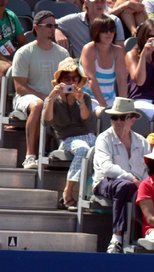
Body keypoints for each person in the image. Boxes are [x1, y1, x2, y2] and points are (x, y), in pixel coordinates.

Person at [11, 11, 70, 170]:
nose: (53, 29)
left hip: (53, 98)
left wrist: (54, 97)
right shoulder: (24, 52)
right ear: (36, 28)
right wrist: (46, 97)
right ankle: (30, 156)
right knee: (37, 105)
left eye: (55, 26)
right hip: (27, 98)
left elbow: (68, 81)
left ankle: (65, 150)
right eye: (49, 26)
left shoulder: (62, 53)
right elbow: (20, 87)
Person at [93, 97, 151, 253]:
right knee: (125, 186)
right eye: (114, 117)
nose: (117, 121)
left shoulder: (142, 141)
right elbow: (106, 168)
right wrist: (132, 179)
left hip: (136, 184)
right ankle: (117, 237)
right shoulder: (104, 138)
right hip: (105, 182)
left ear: (132, 119)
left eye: (122, 117)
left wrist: (144, 185)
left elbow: (148, 169)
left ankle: (147, 234)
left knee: (148, 190)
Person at [42, 57, 95, 208]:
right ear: (60, 81)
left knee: (103, 149)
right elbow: (46, 121)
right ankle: (68, 191)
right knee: (83, 149)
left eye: (75, 78)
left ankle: (94, 193)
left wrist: (81, 101)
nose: (71, 82)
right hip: (67, 140)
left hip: (88, 136)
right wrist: (51, 98)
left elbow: (86, 120)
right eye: (67, 78)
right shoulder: (52, 99)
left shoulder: (84, 97)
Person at [80, 16, 128, 115]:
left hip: (111, 98)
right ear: (96, 31)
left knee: (126, 114)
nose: (109, 33)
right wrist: (103, 105)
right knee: (103, 114)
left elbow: (121, 80)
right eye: (105, 30)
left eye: (112, 30)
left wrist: (123, 103)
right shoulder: (89, 49)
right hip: (89, 98)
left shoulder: (118, 51)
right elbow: (91, 79)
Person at [125, 18, 154, 118]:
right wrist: (143, 55)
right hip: (138, 101)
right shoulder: (132, 55)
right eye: (150, 36)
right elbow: (139, 81)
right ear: (142, 37)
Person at [55, 0, 126, 58]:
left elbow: (120, 51)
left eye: (102, 1)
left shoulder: (115, 20)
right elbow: (51, 23)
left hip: (107, 67)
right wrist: (57, 31)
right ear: (86, 2)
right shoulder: (74, 20)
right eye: (96, 1)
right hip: (82, 70)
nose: (99, 4)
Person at [0, 0, 26, 76]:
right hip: (3, 59)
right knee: (6, 68)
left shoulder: (11, 15)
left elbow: (22, 41)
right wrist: (8, 61)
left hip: (10, 54)